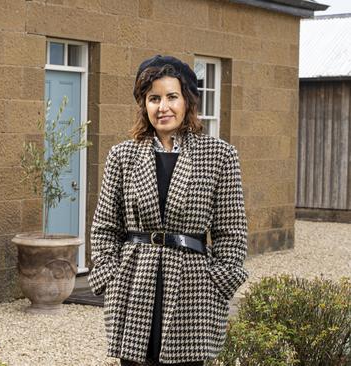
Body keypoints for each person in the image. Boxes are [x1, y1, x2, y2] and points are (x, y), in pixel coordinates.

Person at [88, 55, 249, 365]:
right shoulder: (122, 156)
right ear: (144, 105)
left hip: (193, 286)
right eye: (154, 98)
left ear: (186, 101)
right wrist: (111, 277)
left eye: (171, 96)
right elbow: (105, 228)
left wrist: (218, 283)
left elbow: (232, 232)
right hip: (134, 283)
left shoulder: (219, 155)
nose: (163, 107)